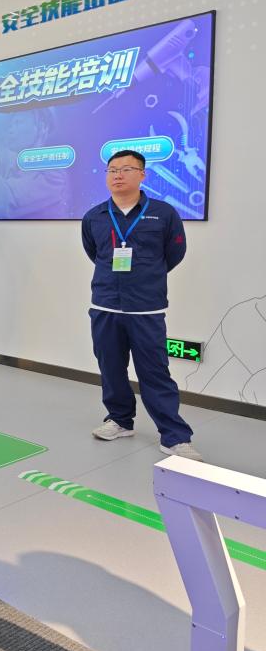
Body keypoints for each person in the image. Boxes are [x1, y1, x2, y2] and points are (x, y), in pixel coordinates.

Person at [81, 149, 202, 461]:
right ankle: (120, 420)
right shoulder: (95, 216)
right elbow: (95, 253)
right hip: (105, 306)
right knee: (110, 368)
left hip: (146, 307)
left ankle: (174, 436)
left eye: (126, 169)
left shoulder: (163, 213)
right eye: (112, 170)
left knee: (155, 371)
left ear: (142, 175)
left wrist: (147, 277)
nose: (118, 175)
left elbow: (174, 253)